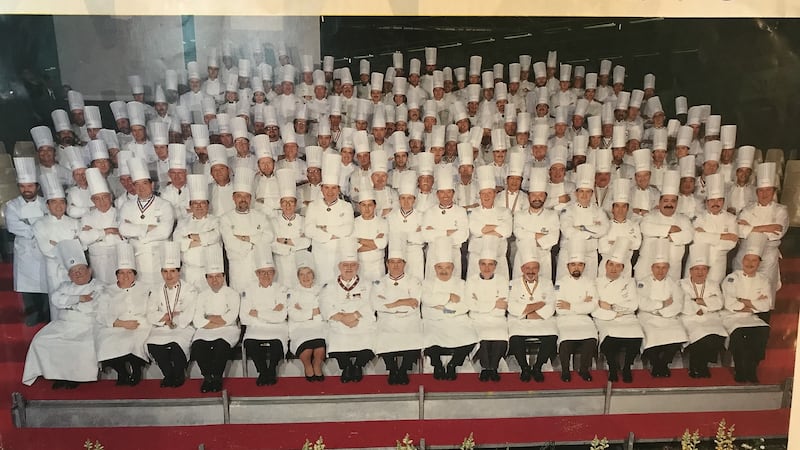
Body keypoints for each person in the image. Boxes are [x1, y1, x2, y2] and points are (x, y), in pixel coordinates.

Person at [23, 239, 105, 388]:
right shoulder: (65, 286)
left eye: (81, 269)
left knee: (77, 344)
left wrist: (69, 304)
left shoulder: (98, 286)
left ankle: (74, 378)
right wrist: (78, 299)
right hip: (62, 324)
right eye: (73, 272)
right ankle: (57, 376)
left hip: (86, 325)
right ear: (69, 276)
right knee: (42, 340)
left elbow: (93, 307)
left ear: (90, 271)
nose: (78, 274)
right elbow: (56, 299)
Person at [320, 237, 376, 383]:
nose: (349, 268)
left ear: (358, 267)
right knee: (336, 339)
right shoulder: (330, 286)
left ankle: (357, 365)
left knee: (368, 341)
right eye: (345, 265)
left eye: (352, 265)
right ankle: (346, 367)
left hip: (361, 321)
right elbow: (326, 305)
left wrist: (355, 315)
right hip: (340, 323)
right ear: (339, 266)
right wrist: (343, 318)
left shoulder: (368, 284)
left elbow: (371, 303)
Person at [421, 236, 478, 380]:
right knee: (429, 335)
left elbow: (465, 305)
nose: (444, 271)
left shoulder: (460, 283)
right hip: (434, 320)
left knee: (471, 337)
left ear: (453, 268)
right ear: (435, 268)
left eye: (447, 267)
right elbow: (426, 300)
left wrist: (443, 308)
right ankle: (437, 364)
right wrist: (449, 296)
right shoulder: (427, 283)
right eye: (440, 267)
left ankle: (453, 364)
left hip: (456, 320)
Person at [95, 242, 150, 386]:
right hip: (115, 325)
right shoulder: (107, 291)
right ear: (116, 275)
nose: (125, 276)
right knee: (106, 342)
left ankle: (136, 370)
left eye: (129, 272)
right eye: (121, 272)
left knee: (135, 341)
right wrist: (120, 323)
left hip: (140, 325)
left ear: (135, 275)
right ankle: (122, 372)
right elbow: (101, 315)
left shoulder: (145, 288)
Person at [735, 161, 788, 306]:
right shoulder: (747, 209)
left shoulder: (781, 210)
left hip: (768, 255)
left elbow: (777, 232)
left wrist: (750, 228)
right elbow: (739, 230)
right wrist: (765, 228)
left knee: (763, 295)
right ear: (757, 192)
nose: (764, 194)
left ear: (773, 191)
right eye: (761, 190)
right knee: (741, 291)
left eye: (768, 190)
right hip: (745, 254)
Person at [146, 242, 198, 388]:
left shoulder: (189, 289)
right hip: (161, 326)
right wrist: (166, 318)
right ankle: (168, 374)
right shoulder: (156, 290)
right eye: (165, 271)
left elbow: (189, 312)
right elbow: (150, 314)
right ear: (161, 272)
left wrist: (169, 316)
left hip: (183, 326)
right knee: (153, 344)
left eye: (172, 271)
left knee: (176, 344)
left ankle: (179, 373)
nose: (168, 275)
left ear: (179, 272)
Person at [721, 234, 771, 383]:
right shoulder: (732, 278)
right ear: (742, 261)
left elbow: (766, 305)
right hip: (732, 318)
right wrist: (754, 303)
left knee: (763, 331)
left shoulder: (764, 280)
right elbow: (730, 304)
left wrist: (742, 301)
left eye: (754, 260)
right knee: (741, 334)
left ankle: (752, 368)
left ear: (759, 263)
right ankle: (741, 369)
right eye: (747, 259)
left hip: (752, 318)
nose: (750, 263)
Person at [191, 244, 241, 393]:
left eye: (218, 276)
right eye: (211, 277)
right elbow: (197, 320)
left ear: (224, 277)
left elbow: (231, 318)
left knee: (220, 345)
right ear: (206, 278)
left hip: (228, 330)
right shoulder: (201, 295)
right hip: (206, 330)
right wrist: (215, 321)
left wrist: (210, 319)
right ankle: (207, 377)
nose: (215, 280)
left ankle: (217, 378)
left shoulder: (232, 294)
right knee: (198, 345)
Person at [373, 239, 423, 385]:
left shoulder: (414, 281)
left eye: (399, 262)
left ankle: (403, 370)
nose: (395, 265)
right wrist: (402, 302)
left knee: (413, 337)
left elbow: (415, 303)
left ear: (404, 264)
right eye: (392, 262)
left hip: (409, 319)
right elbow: (377, 304)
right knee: (382, 337)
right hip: (386, 320)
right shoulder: (379, 283)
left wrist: (391, 304)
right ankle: (393, 368)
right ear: (387, 264)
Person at [118, 157, 176, 284]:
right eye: (137, 184)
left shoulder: (165, 205)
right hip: (136, 260)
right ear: (133, 186)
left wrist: (137, 232)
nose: (141, 188)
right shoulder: (127, 206)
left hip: (159, 259)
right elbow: (123, 229)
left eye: (144, 183)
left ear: (152, 184)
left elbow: (165, 232)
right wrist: (149, 227)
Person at [592, 239, 643, 383]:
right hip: (604, 318)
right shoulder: (596, 282)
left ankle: (627, 367)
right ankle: (613, 367)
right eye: (611, 265)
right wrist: (617, 310)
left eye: (618, 266)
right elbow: (595, 306)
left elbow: (633, 305)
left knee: (635, 337)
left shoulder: (629, 282)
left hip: (626, 318)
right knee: (609, 340)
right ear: (606, 265)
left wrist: (611, 306)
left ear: (622, 267)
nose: (614, 268)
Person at [637, 240, 688, 378]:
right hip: (648, 317)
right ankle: (656, 364)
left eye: (664, 267)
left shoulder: (673, 283)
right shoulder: (643, 282)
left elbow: (678, 303)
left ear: (668, 268)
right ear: (652, 267)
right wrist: (662, 304)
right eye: (657, 267)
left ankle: (663, 364)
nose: (660, 271)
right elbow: (642, 303)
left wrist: (661, 310)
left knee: (678, 333)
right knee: (650, 334)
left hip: (668, 317)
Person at [507, 246, 558, 382]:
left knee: (551, 336)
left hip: (541, 320)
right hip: (520, 321)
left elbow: (551, 306)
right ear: (522, 269)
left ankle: (537, 367)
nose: (531, 271)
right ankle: (524, 367)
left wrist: (525, 311)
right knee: (515, 338)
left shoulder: (547, 283)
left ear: (539, 269)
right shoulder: (513, 284)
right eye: (527, 268)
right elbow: (512, 307)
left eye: (534, 268)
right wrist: (536, 306)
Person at [240, 245, 289, 386]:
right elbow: (244, 317)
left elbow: (281, 316)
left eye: (269, 273)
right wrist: (271, 312)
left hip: (277, 328)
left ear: (274, 273)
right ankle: (263, 371)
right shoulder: (248, 290)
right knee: (250, 342)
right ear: (257, 274)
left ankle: (271, 370)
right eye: (262, 273)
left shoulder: (281, 289)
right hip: (255, 328)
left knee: (276, 342)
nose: (266, 276)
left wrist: (258, 312)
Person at [219, 168, 274, 292]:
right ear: (233, 198)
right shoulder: (226, 218)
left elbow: (269, 237)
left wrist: (247, 238)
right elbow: (231, 244)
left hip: (258, 269)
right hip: (238, 271)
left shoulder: (260, 216)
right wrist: (254, 244)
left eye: (246, 196)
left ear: (251, 198)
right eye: (239, 196)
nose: (243, 199)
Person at [305, 153, 355, 286]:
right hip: (319, 255)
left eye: (334, 188)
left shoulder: (346, 206)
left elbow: (347, 229)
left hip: (339, 254)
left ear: (339, 189)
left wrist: (324, 228)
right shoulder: (313, 206)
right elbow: (309, 230)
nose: (330, 191)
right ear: (321, 189)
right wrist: (331, 236)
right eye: (327, 187)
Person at [553, 239, 598, 382]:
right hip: (565, 320)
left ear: (584, 266)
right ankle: (565, 371)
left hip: (585, 320)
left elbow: (593, 305)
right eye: (573, 264)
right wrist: (581, 305)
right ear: (568, 266)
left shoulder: (590, 282)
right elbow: (560, 309)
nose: (576, 268)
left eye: (579, 264)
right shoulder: (560, 283)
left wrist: (571, 306)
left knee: (590, 339)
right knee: (566, 341)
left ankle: (584, 370)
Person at [680, 245, 728, 378]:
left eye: (703, 269)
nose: (700, 272)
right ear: (690, 270)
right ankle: (695, 366)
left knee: (715, 336)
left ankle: (702, 364)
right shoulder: (682, 284)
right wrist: (704, 303)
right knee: (701, 335)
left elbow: (719, 302)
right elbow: (682, 302)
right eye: (696, 269)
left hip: (710, 317)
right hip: (690, 317)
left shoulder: (713, 284)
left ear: (707, 271)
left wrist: (700, 303)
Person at [467, 236, 509, 382]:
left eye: (490, 264)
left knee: (500, 335)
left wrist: (482, 304)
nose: (487, 268)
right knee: (483, 336)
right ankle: (486, 368)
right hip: (477, 319)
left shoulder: (502, 281)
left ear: (495, 266)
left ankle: (494, 367)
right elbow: (470, 305)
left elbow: (502, 308)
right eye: (483, 264)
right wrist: (493, 304)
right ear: (478, 265)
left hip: (497, 319)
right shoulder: (471, 280)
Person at [512, 168, 560, 283]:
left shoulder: (552, 215)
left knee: (543, 289)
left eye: (540, 195)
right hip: (522, 258)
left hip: (543, 258)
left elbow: (553, 238)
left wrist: (528, 237)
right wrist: (539, 235)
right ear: (528, 196)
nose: (537, 198)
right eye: (534, 195)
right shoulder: (519, 215)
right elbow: (518, 232)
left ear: (545, 197)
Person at [79, 168, 124, 286]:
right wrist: (109, 230)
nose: (101, 201)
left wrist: (95, 234)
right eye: (97, 199)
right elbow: (84, 238)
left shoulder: (120, 212)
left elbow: (124, 236)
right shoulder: (87, 216)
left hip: (119, 258)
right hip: (97, 262)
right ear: (92, 200)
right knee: (101, 292)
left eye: (104, 197)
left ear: (110, 197)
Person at [288, 254, 327, 381]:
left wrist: (304, 311)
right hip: (299, 327)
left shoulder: (322, 290)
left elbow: (325, 311)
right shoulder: (292, 292)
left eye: (308, 273)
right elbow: (294, 314)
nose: (306, 277)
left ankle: (316, 365)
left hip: (319, 326)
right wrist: (314, 311)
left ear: (313, 274)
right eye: (302, 274)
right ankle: (308, 366)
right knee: (307, 347)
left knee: (320, 346)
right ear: (298, 277)